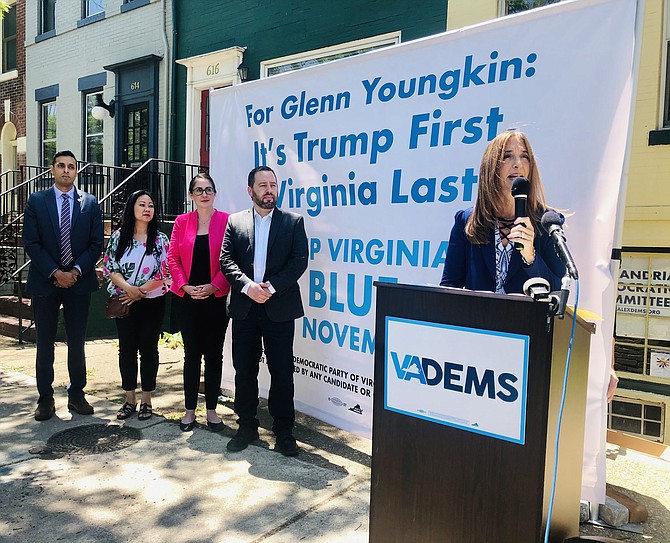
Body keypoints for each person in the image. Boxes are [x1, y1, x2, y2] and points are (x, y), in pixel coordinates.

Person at [220, 166, 308, 456]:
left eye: (273, 185)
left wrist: (270, 287)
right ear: (251, 191)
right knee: (244, 371)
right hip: (245, 308)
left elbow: (299, 261)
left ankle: (284, 432)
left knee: (282, 373)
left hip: (278, 309)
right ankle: (246, 426)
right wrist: (248, 287)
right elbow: (226, 260)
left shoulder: (293, 222)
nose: (269, 190)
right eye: (263, 185)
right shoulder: (235, 222)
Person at [23, 150, 104, 421]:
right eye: (61, 166)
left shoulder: (90, 203)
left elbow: (96, 245)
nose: (66, 170)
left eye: (71, 166)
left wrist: (76, 271)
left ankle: (77, 394)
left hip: (79, 283)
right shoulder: (37, 201)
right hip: (45, 282)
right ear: (52, 170)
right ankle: (45, 399)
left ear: (76, 171)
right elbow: (31, 243)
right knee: (44, 342)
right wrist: (56, 272)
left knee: (77, 341)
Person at [440, 130, 566, 294]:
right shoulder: (466, 221)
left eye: (524, 156)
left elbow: (558, 290)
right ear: (491, 166)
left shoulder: (547, 222)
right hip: (477, 318)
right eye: (507, 156)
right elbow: (449, 287)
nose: (518, 164)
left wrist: (530, 256)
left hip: (526, 319)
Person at [168, 173, 231, 432]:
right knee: (191, 354)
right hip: (188, 298)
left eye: (208, 189)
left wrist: (215, 285)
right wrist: (185, 286)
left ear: (215, 193)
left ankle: (213, 410)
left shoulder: (227, 221)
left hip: (215, 298)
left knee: (214, 355)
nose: (204, 194)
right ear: (191, 195)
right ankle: (190, 410)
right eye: (198, 190)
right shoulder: (182, 222)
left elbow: (231, 261)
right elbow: (172, 258)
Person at [102, 190, 170, 421]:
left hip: (152, 301)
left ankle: (146, 400)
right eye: (142, 204)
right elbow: (110, 267)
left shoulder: (160, 239)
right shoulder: (119, 237)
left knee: (149, 349)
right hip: (124, 301)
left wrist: (139, 292)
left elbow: (165, 272)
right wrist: (128, 289)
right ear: (132, 208)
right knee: (127, 349)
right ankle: (129, 398)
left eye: (150, 205)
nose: (147, 209)